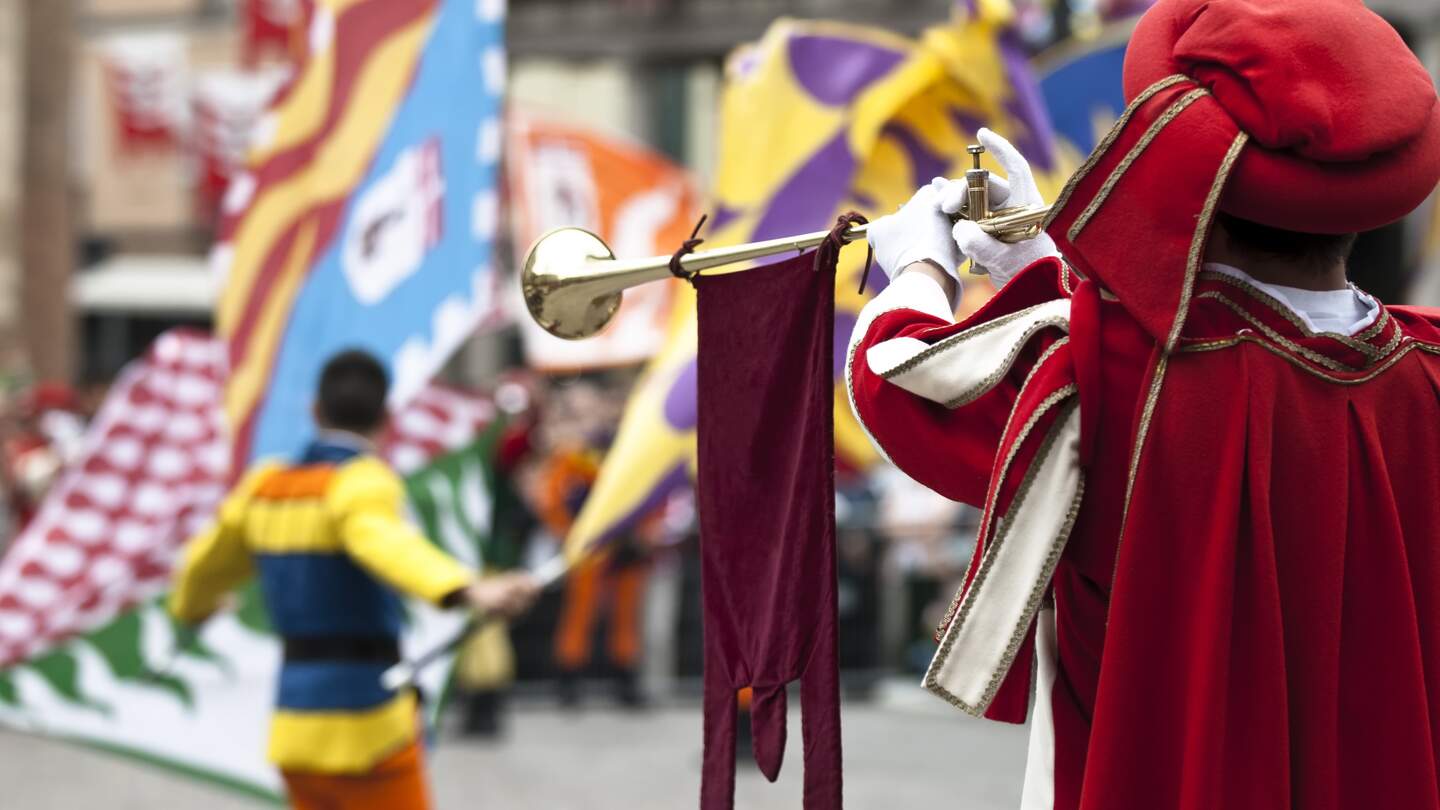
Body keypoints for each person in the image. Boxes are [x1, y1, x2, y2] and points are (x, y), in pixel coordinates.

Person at [850, 0, 1440, 807]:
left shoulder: (1108, 374)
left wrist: (920, 266)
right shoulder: (1428, 365)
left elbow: (903, 382)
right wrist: (1038, 260)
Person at [168, 350, 540, 810]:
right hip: (367, 728)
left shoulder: (263, 487)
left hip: (295, 729)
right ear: (387, 417)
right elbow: (383, 542)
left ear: (315, 411)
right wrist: (466, 587)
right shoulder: (363, 482)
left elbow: (200, 568)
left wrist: (193, 609)